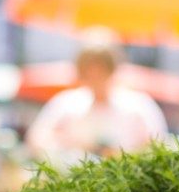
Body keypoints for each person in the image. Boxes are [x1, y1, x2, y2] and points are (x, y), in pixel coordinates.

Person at [26, 39, 167, 163]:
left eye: (101, 70)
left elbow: (157, 146)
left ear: (112, 70)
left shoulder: (139, 106)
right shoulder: (65, 104)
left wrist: (121, 155)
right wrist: (71, 145)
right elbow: (36, 139)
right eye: (89, 71)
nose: (95, 76)